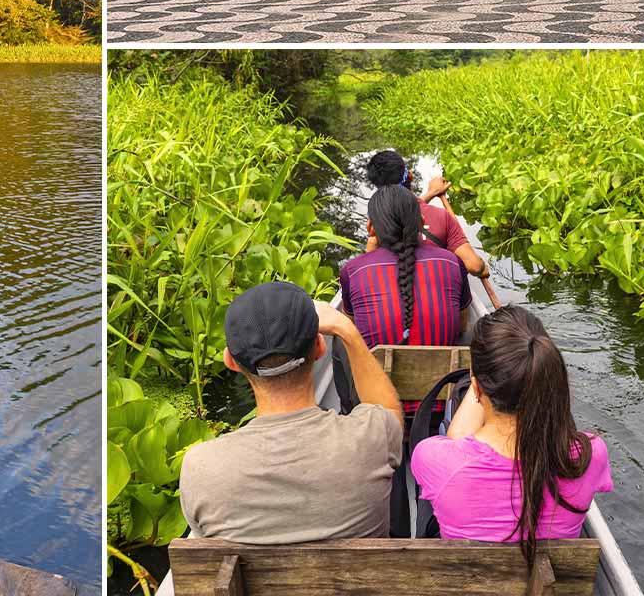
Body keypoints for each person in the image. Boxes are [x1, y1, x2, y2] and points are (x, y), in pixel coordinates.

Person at [179, 281, 403, 543]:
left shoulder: (200, 468)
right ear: (320, 347)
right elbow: (388, 410)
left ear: (231, 362)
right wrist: (347, 330)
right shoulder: (373, 436)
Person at [411, 305, 612, 564]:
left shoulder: (434, 458)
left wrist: (476, 386)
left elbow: (458, 440)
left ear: (477, 389)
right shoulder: (590, 454)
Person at [340, 185, 471, 349]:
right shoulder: (452, 262)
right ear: (422, 221)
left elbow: (353, 328)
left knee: (342, 342)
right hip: (447, 373)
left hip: (375, 373)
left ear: (370, 228)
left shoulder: (352, 271)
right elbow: (462, 325)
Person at [364, 149, 489, 278]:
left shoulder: (378, 221)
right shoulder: (441, 217)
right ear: (410, 175)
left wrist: (431, 193)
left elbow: (368, 268)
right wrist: (483, 268)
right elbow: (474, 266)